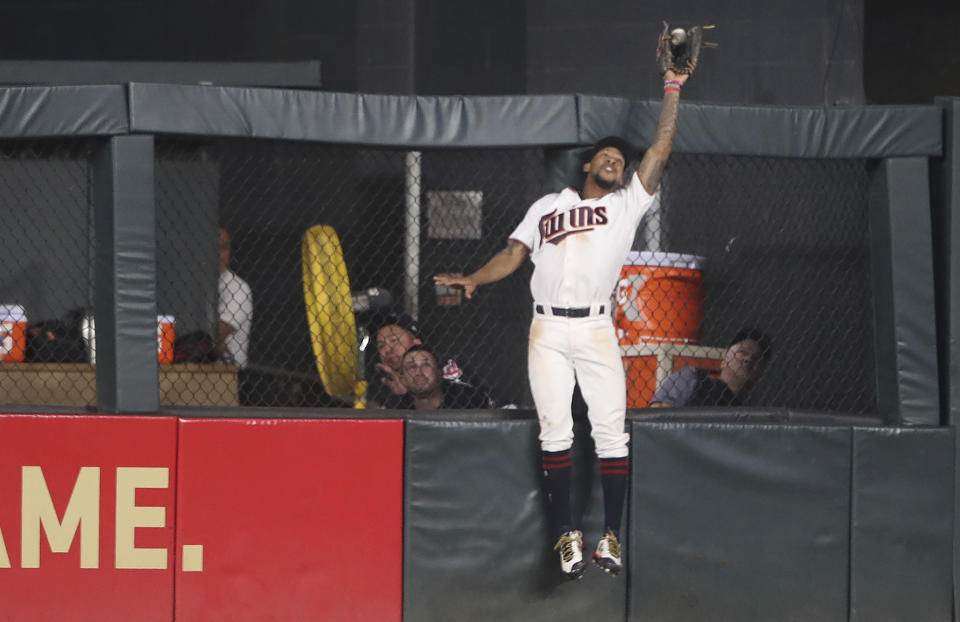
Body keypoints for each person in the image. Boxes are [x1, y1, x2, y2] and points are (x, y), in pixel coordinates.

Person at [434, 55, 693, 579]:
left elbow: (660, 149)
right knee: (555, 431)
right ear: (586, 166)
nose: (616, 163)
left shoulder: (625, 207)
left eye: (621, 161)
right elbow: (512, 255)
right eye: (607, 157)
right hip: (547, 328)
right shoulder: (548, 206)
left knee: (611, 433)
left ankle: (611, 538)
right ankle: (566, 535)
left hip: (597, 328)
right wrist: (474, 278)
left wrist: (673, 86)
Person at [648, 328, 772, 408]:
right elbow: (658, 412)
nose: (748, 359)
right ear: (725, 360)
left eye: (755, 359)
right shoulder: (693, 377)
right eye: (743, 352)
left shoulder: (751, 411)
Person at [373, 313, 470, 408]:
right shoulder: (382, 383)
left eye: (394, 340)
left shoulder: (447, 364)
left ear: (416, 343)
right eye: (381, 346)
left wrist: (407, 393)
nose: (387, 349)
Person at [396, 344, 495, 410]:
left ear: (440, 372)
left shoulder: (467, 398)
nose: (419, 372)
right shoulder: (396, 407)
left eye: (426, 365)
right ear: (403, 378)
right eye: (411, 367)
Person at [218, 227, 253, 368]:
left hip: (230, 374)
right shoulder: (196, 285)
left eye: (223, 248)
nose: (218, 254)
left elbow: (217, 334)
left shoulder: (238, 288)